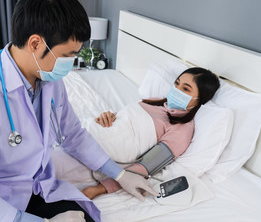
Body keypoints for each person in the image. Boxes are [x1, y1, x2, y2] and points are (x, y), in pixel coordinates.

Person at [0, 0, 157, 222]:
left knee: (85, 218)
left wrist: (119, 175)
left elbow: (73, 135)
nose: (71, 63)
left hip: (30, 189)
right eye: (67, 55)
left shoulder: (49, 80)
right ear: (35, 43)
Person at [80, 67, 220, 200]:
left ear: (200, 99)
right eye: (176, 84)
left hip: (103, 149)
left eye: (185, 89)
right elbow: (123, 119)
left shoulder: (182, 129)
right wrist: (108, 116)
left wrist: (98, 189)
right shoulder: (154, 102)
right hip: (93, 129)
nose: (177, 90)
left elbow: (147, 166)